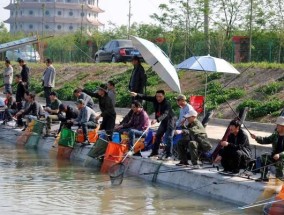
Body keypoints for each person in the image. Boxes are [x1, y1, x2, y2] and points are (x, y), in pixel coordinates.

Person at [130, 90, 175, 160]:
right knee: (158, 136)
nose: (158, 98)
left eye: (160, 97)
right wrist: (136, 94)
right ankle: (155, 153)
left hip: (171, 120)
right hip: (163, 121)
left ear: (164, 96)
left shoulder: (167, 103)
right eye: (157, 96)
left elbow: (165, 114)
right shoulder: (155, 99)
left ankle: (169, 155)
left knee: (168, 137)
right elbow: (146, 97)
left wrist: (157, 120)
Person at [251, 116, 284, 181]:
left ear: (283, 126)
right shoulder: (275, 135)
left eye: (278, 125)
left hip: (282, 158)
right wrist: (256, 138)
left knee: (280, 162)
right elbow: (266, 140)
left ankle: (280, 180)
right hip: (274, 156)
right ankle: (263, 177)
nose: (276, 126)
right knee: (263, 158)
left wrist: (279, 155)